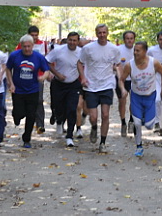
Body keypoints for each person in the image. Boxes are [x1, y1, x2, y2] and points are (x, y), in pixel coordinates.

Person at [78, 24, 124, 153]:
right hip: (91, 86)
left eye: (104, 32)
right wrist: (83, 77)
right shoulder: (88, 49)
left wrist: (120, 82)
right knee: (93, 117)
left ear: (107, 33)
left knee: (105, 114)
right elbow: (80, 63)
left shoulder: (114, 49)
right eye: (100, 33)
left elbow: (118, 65)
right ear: (96, 33)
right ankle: (93, 127)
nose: (102, 35)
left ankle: (102, 142)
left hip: (107, 85)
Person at [120, 41, 162, 157]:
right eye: (134, 50)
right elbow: (121, 79)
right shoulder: (129, 65)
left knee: (149, 125)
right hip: (136, 97)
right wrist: (123, 89)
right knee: (136, 123)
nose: (135, 53)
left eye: (138, 50)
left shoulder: (153, 63)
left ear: (145, 51)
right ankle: (139, 146)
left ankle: (146, 116)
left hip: (150, 96)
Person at [6, 34, 50, 148]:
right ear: (21, 46)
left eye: (29, 46)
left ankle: (27, 139)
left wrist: (42, 77)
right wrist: (11, 83)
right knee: (19, 113)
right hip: (18, 90)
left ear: (32, 45)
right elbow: (8, 69)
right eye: (24, 46)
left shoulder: (38, 57)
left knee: (31, 115)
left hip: (33, 90)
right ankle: (16, 116)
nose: (26, 49)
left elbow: (46, 70)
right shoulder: (14, 55)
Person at [46, 31, 82, 147]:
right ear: (67, 40)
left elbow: (86, 65)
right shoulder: (58, 50)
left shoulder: (81, 52)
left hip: (73, 84)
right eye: (70, 40)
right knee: (58, 107)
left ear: (78, 41)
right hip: (58, 84)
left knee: (72, 109)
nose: (72, 42)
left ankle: (70, 136)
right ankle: (59, 121)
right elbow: (47, 62)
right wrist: (56, 74)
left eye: (74, 40)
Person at [15, 26, 49, 133]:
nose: (34, 37)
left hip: (38, 77)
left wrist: (46, 73)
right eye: (32, 35)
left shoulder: (43, 44)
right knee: (26, 101)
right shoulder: (22, 44)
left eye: (36, 35)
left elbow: (46, 59)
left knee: (39, 100)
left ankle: (40, 124)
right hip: (23, 77)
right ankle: (23, 115)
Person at [117, 30, 136, 137]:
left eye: (131, 38)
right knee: (122, 101)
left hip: (134, 80)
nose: (129, 40)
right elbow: (114, 64)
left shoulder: (138, 49)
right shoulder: (118, 50)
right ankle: (123, 122)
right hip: (122, 79)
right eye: (127, 38)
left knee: (134, 101)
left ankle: (131, 120)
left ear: (134, 39)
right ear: (124, 40)